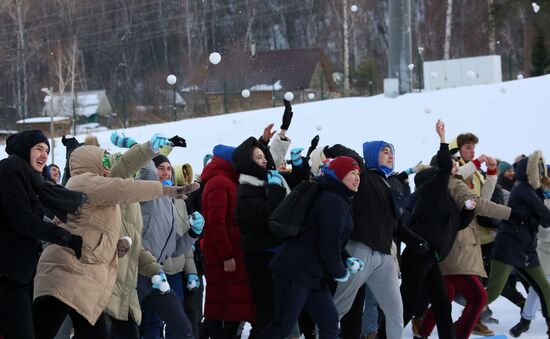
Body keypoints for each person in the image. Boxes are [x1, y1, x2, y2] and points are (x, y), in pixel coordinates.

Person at [33, 141, 198, 339]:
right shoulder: (86, 183)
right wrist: (167, 189)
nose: (106, 165)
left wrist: (123, 249)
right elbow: (124, 179)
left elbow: (104, 232)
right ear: (91, 162)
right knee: (44, 332)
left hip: (92, 280)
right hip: (66, 275)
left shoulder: (116, 201)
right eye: (102, 160)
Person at [260, 156, 362, 338]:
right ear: (339, 175)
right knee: (282, 327)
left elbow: (325, 237)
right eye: (352, 173)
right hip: (295, 272)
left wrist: (346, 259)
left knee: (329, 322)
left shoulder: (336, 198)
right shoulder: (333, 200)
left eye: (358, 174)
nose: (357, 178)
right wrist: (339, 270)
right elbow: (328, 245)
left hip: (311, 274)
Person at [0, 130, 84, 339]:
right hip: (7, 275)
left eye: (46, 150)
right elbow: (23, 220)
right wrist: (65, 237)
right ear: (24, 148)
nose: (44, 155)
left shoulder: (30, 178)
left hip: (20, 273)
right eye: (38, 148)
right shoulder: (10, 169)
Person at [400, 120, 476, 339]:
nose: (454, 168)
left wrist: (468, 210)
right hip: (418, 255)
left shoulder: (444, 199)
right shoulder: (432, 189)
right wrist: (443, 139)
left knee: (443, 303)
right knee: (408, 305)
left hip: (429, 256)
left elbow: (457, 225)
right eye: (452, 166)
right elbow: (443, 168)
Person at [233, 135, 309, 336]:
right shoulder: (245, 190)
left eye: (263, 156)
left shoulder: (271, 178)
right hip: (262, 259)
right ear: (247, 163)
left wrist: (298, 164)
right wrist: (275, 189)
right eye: (258, 158)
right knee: (269, 313)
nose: (264, 160)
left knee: (286, 311)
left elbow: (297, 181)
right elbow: (270, 217)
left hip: (281, 254)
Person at [137, 154, 203, 339]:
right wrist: (145, 150)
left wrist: (193, 234)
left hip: (158, 274)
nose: (165, 173)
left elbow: (173, 248)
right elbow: (146, 171)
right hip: (137, 272)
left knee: (182, 327)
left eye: (168, 169)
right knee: (130, 326)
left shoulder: (171, 202)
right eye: (160, 168)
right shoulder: (145, 192)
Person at [485, 151, 550, 336]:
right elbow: (544, 215)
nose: (542, 175)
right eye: (539, 171)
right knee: (494, 291)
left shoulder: (534, 191)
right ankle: (466, 321)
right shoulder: (522, 189)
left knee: (545, 289)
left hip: (527, 248)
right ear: (530, 172)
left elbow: (543, 219)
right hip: (509, 246)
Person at [201, 144, 255, 338]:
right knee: (223, 308)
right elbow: (215, 224)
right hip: (223, 260)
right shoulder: (219, 183)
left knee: (226, 307)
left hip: (230, 257)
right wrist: (226, 256)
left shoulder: (228, 181)